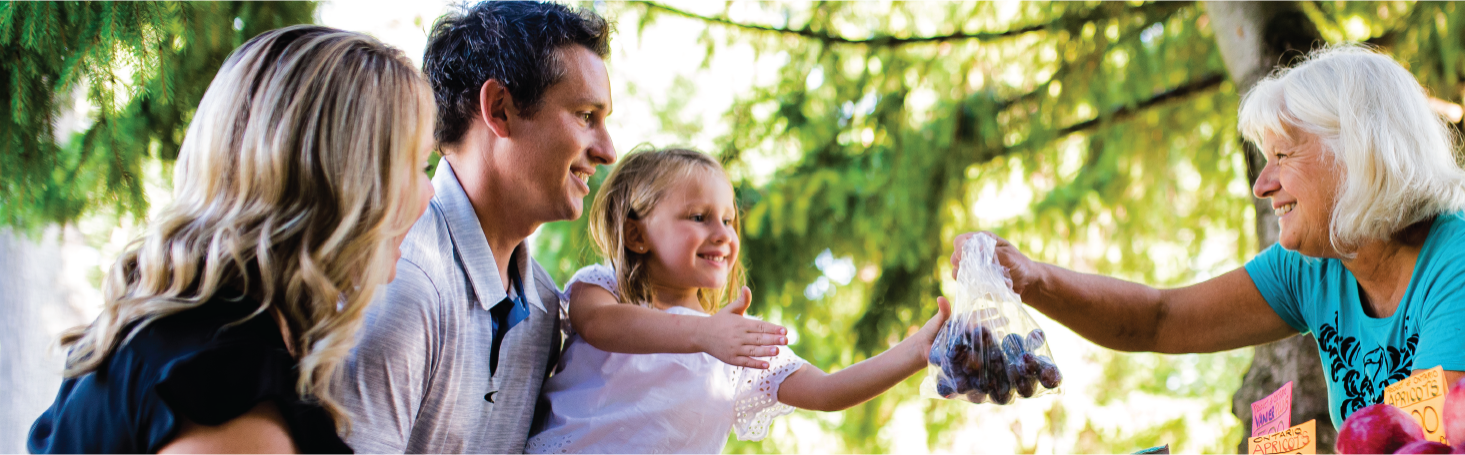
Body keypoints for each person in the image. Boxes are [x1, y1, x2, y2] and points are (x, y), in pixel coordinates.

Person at [952, 45, 1465, 426]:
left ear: (1361, 153)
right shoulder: (1318, 266)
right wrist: (1030, 278)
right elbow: (1159, 319)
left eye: (1283, 155)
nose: (1263, 185)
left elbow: (1426, 444)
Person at [333, 3, 788, 453]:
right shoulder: (404, 278)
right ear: (499, 109)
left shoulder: (545, 305)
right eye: (586, 116)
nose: (609, 150)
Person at [28, 25, 436, 453]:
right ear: (342, 184)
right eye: (417, 166)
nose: (428, 195)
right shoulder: (226, 385)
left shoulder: (184, 332)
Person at [525, 148, 950, 454]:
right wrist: (705, 333)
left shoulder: (735, 344)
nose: (724, 233)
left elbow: (826, 390)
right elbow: (602, 325)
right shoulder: (603, 288)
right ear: (637, 235)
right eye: (699, 217)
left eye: (728, 219)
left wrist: (916, 352)